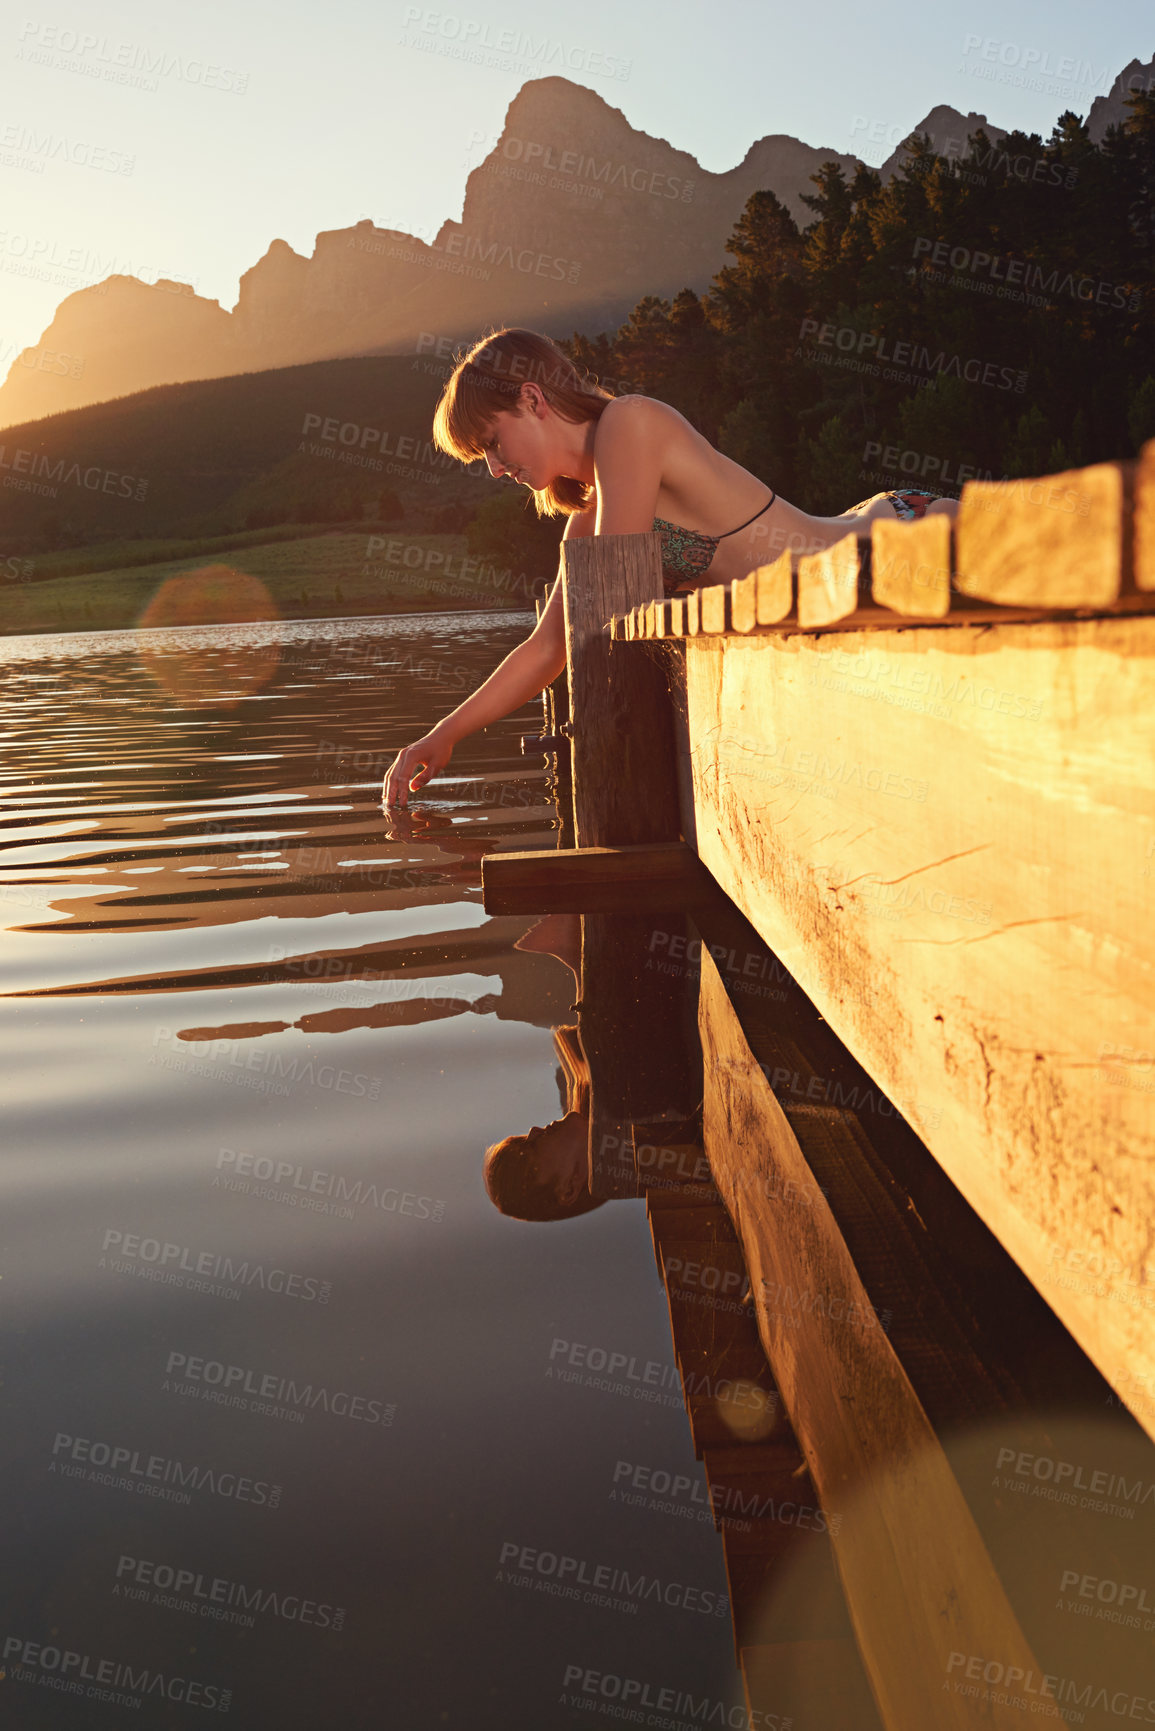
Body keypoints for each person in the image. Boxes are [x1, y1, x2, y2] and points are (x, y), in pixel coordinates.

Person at [382, 327, 958, 807]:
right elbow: (547, 648)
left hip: (900, 542)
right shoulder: (589, 518)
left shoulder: (631, 424)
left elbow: (606, 607)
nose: (493, 468)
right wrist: (443, 734)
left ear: (532, 400)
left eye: (493, 442)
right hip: (849, 578)